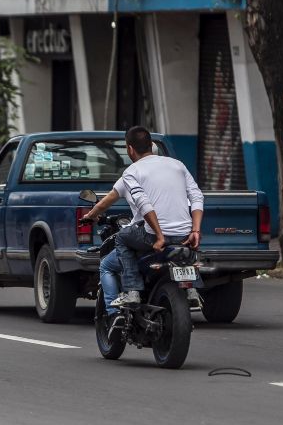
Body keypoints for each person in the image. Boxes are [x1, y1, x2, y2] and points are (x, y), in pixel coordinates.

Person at [82, 126, 204, 312]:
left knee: (122, 238)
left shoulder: (132, 171)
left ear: (130, 149)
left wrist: (160, 235)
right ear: (151, 145)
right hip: (184, 235)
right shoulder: (178, 165)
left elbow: (143, 203)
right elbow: (196, 196)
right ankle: (192, 291)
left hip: (153, 236)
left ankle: (132, 291)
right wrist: (195, 230)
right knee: (186, 252)